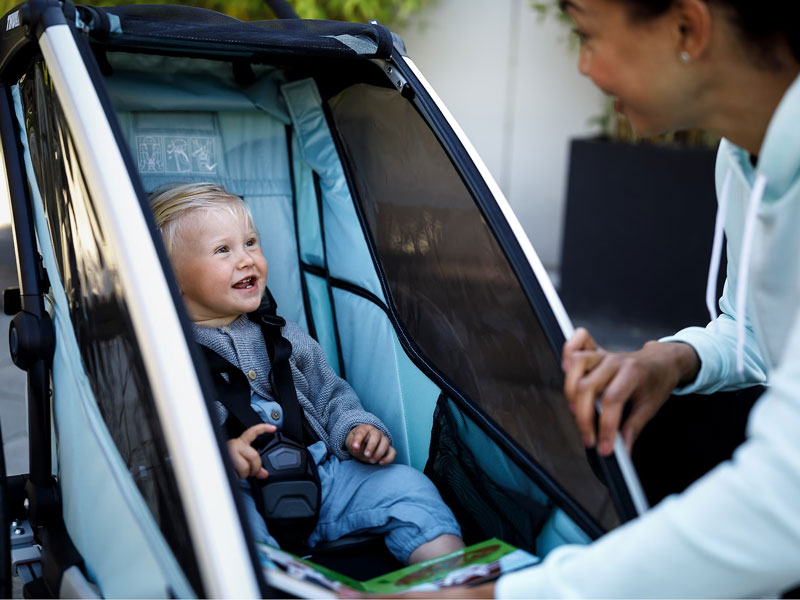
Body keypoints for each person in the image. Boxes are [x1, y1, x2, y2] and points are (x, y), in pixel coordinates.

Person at [407, 0, 800, 597]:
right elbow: (759, 329)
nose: (584, 65)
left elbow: (783, 502)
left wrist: (501, 595)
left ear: (687, 28)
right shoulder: (745, 157)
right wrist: (668, 360)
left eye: (588, 35)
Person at [149, 182, 463, 565]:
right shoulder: (164, 357)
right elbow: (157, 442)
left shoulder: (286, 337)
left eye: (250, 243)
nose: (246, 259)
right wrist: (216, 456)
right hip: (238, 493)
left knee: (407, 486)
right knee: (219, 532)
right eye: (222, 250)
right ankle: (273, 582)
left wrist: (355, 430)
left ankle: (446, 578)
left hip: (322, 478)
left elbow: (331, 396)